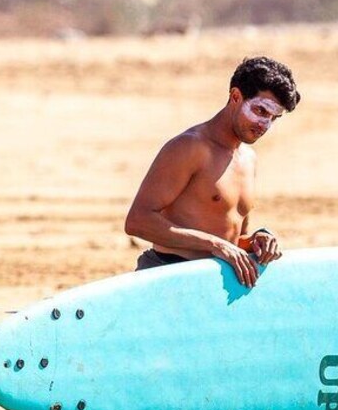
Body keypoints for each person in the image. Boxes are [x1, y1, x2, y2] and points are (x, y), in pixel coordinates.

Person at [124, 56, 301, 286]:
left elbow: (234, 239)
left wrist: (259, 240)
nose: (264, 125)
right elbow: (137, 221)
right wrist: (215, 244)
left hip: (216, 283)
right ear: (235, 97)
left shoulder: (249, 159)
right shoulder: (190, 147)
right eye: (260, 110)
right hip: (168, 275)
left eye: (273, 118)